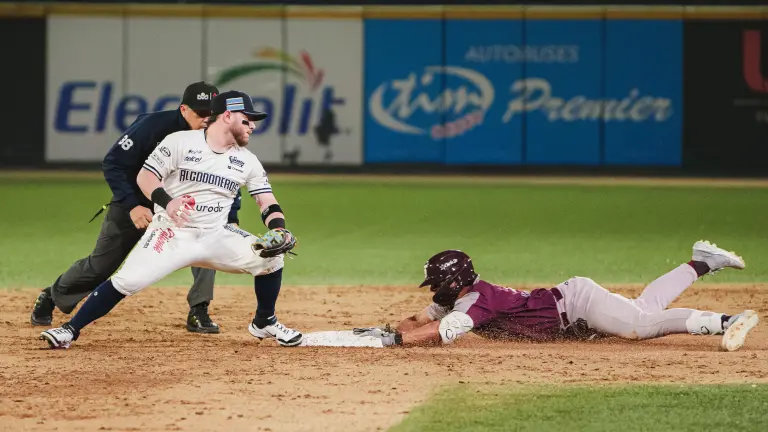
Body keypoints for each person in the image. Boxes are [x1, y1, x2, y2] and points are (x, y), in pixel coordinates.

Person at [39, 90, 303, 350]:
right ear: (226, 116)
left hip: (215, 235)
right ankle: (69, 330)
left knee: (271, 257)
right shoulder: (180, 141)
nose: (253, 126)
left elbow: (266, 200)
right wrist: (168, 202)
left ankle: (264, 321)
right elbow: (145, 178)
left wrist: (279, 230)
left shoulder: (248, 161)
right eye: (247, 119)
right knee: (126, 281)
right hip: (170, 233)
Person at [31, 81, 237, 334]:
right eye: (201, 113)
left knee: (204, 247)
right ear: (184, 109)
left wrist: (231, 216)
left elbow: (228, 178)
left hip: (185, 209)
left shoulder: (220, 136)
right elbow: (114, 162)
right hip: (139, 204)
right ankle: (52, 295)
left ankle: (199, 310)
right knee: (101, 266)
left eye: (212, 113)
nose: (207, 119)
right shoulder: (153, 126)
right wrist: (131, 205)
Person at [352, 241, 759, 352]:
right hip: (572, 306)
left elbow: (441, 334)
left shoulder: (477, 301)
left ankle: (725, 322)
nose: (433, 292)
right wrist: (392, 331)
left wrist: (398, 341)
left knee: (641, 325)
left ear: (453, 281)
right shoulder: (457, 297)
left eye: (436, 284)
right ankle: (702, 262)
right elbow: (422, 322)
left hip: (576, 306)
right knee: (644, 310)